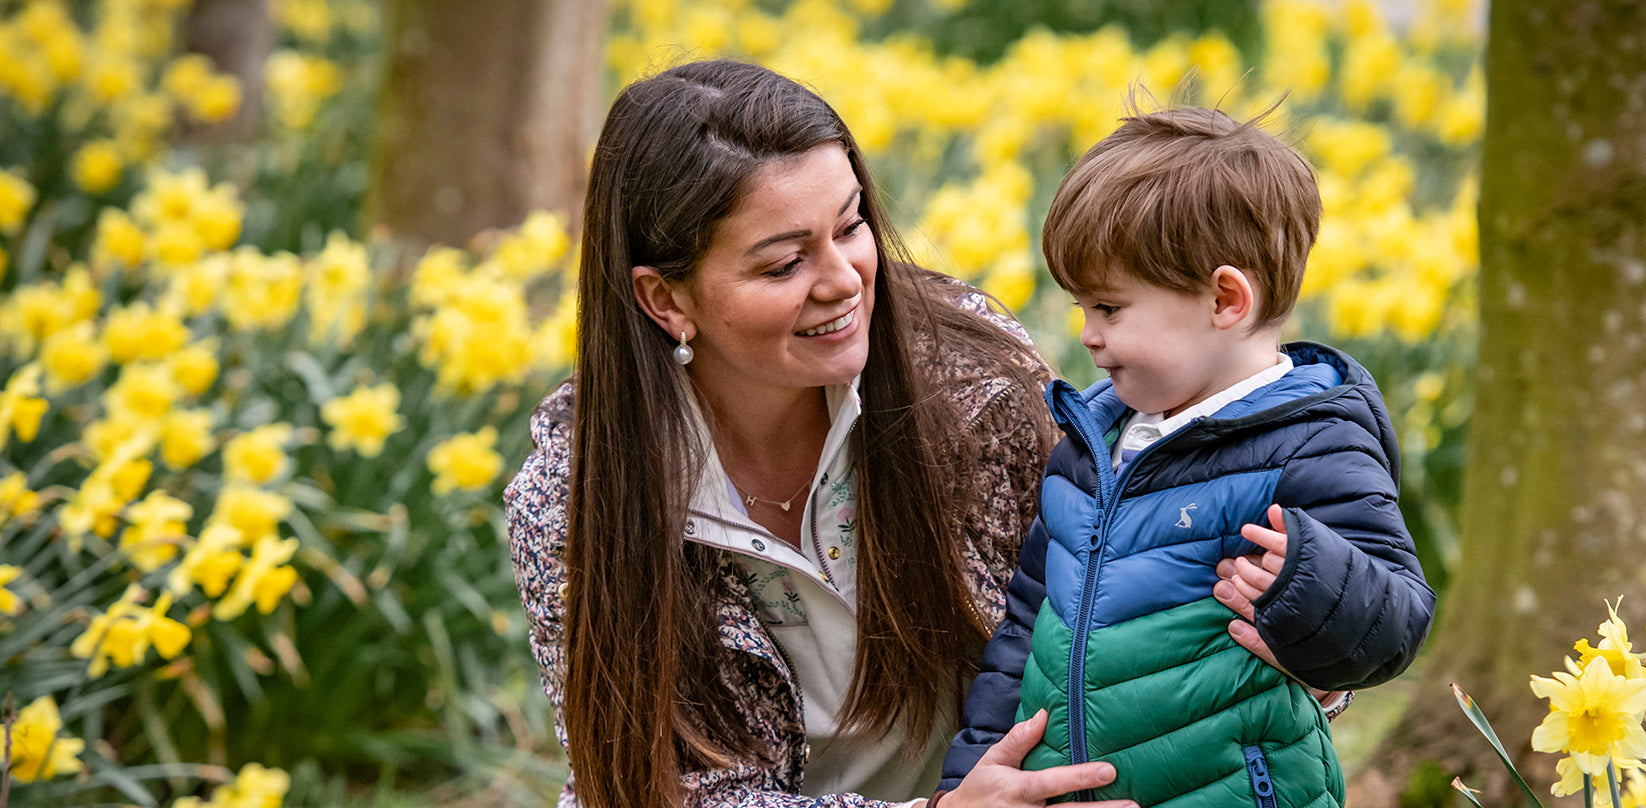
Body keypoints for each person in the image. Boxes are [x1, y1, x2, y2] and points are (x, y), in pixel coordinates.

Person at [504, 59, 1148, 808]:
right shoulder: (577, 502)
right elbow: (663, 793)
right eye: (783, 263)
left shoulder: (970, 382)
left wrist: (1300, 633)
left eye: (851, 226)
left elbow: (1117, 582)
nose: (844, 279)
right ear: (665, 300)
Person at [939, 105, 1438, 808]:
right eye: (1082, 309)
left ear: (1226, 300)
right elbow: (1020, 639)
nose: (1087, 336)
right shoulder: (1091, 446)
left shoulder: (1310, 442)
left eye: (1109, 309)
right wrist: (971, 781)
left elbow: (1398, 624)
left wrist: (1306, 580)